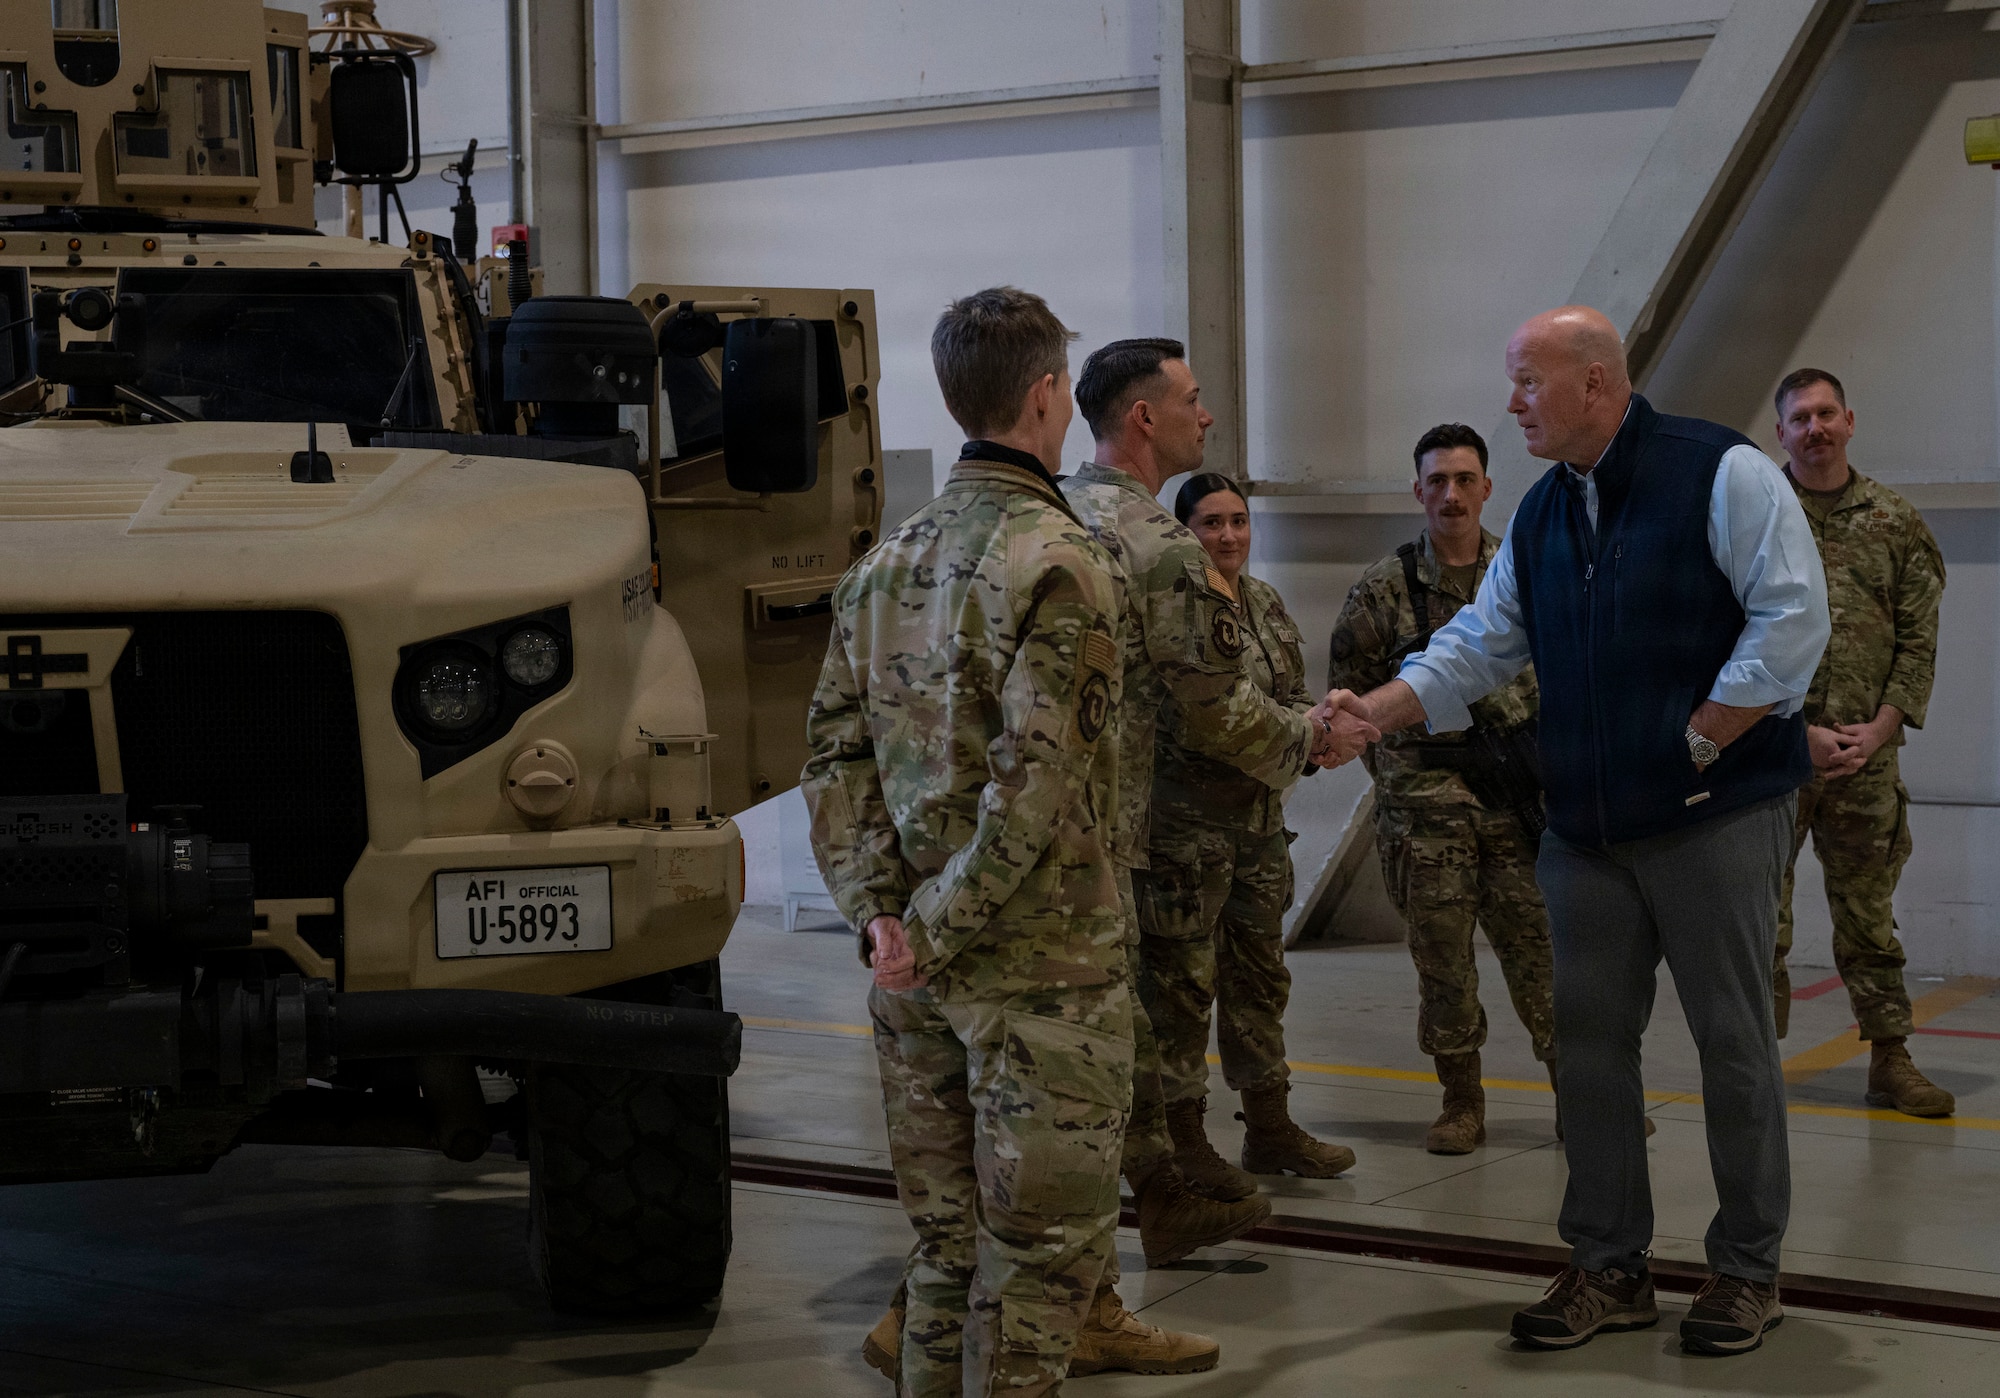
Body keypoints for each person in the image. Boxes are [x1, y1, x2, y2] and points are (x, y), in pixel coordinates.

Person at [1321, 306, 1829, 1356]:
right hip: (1585, 833)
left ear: (1594, 384)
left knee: (1732, 1047)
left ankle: (1744, 1270)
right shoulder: (1548, 516)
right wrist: (1374, 710)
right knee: (1587, 1053)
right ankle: (1608, 1264)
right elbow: (1475, 647)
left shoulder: (1720, 473)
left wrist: (1701, 734)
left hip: (1712, 817)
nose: (1509, 406)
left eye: (1525, 384)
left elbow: (1792, 619)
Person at [802, 286, 1136, 1394]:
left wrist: (883, 920)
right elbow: (1032, 785)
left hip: (911, 977)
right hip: (1042, 978)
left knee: (946, 1255)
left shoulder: (880, 564)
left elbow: (833, 761)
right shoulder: (1060, 561)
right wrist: (933, 929)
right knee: (1039, 1265)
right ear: (1046, 397)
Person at [1067, 339, 1372, 1206]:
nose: (1205, 416)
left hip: (1083, 825)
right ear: (1143, 416)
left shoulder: (1050, 514)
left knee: (1217, 988)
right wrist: (1310, 739)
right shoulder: (1156, 542)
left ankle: (1216, 1147)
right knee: (1166, 999)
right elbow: (1214, 705)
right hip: (1153, 827)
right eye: (1193, 400)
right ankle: (1168, 1172)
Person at [1326, 424, 1557, 1154]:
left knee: (1543, 959)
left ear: (1488, 488)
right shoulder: (1383, 588)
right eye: (1437, 481)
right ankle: (1462, 1102)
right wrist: (1405, 785)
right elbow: (1355, 701)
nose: (1451, 495)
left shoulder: (1523, 574)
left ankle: (1580, 1093)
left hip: (1518, 803)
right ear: (1418, 490)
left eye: (1465, 480)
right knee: (1443, 964)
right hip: (1426, 816)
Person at [1136, 470, 1364, 1182]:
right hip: (1186, 837)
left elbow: (1290, 695)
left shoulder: (1262, 601)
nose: (1229, 535)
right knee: (1181, 989)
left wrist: (1318, 729)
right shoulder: (1176, 611)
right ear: (1185, 532)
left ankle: (1269, 1127)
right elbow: (1203, 721)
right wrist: (1302, 735)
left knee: (1259, 984)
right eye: (1211, 523)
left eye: (1238, 520)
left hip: (1260, 830)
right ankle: (1182, 1147)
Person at [1771, 368, 1951, 1117]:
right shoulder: (1756, 516)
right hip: (1774, 757)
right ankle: (1749, 1068)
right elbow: (1718, 639)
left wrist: (1880, 729)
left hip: (1866, 757)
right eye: (1798, 419)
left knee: (1869, 920)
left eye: (1825, 414)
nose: (1814, 428)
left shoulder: (1896, 521)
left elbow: (1918, 642)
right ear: (1779, 433)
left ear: (1848, 421)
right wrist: (1792, 733)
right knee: (1757, 923)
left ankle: (1891, 1059)